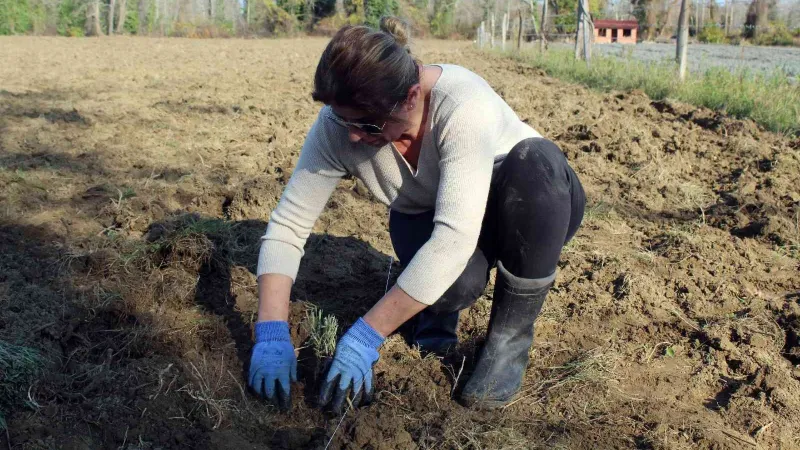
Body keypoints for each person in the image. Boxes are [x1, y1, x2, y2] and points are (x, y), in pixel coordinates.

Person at [247, 17, 585, 413]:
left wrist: (365, 335)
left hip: (528, 206)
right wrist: (271, 330)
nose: (354, 136)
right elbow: (288, 226)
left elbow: (454, 239)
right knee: (452, 285)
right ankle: (432, 314)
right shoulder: (338, 128)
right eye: (344, 120)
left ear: (411, 96)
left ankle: (508, 343)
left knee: (536, 158)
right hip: (431, 214)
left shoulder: (461, 103)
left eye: (368, 124)